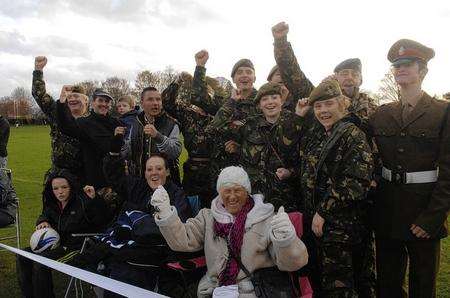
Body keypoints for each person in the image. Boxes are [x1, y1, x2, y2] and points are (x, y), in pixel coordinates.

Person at [368, 39, 449, 298]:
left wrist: (433, 218)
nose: (401, 68)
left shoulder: (442, 112)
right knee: (388, 286)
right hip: (387, 212)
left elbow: (448, 171)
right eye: (397, 65)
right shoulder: (381, 113)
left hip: (423, 212)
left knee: (422, 285)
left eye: (408, 64)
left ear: (422, 71)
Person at [151, 166, 308, 297]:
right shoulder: (208, 216)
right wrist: (165, 213)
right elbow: (182, 241)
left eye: (237, 190)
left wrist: (286, 239)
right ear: (220, 193)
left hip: (253, 292)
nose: (232, 196)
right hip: (213, 291)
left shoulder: (265, 219)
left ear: (247, 192)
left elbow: (292, 264)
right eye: (227, 190)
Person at [71, 151, 192, 296]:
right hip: (126, 251)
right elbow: (116, 178)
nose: (154, 173)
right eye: (149, 169)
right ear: (145, 173)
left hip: (157, 254)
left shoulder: (177, 195)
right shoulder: (139, 189)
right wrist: (114, 152)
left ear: (167, 172)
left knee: (122, 270)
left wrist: (135, 229)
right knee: (112, 263)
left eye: (159, 169)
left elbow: (178, 228)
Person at [297, 79, 375, 297]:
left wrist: (323, 211)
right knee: (321, 284)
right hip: (320, 229)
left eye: (328, 104)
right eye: (318, 106)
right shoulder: (319, 135)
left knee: (341, 287)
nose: (323, 111)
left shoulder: (352, 135)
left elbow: (356, 182)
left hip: (342, 228)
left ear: (342, 103)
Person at [16, 170, 110, 298]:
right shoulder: (53, 203)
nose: (60, 191)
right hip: (55, 246)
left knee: (40, 263)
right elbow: (45, 215)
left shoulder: (82, 201)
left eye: (64, 187)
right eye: (56, 188)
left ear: (71, 187)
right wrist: (42, 221)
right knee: (22, 256)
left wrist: (94, 200)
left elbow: (102, 220)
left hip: (76, 248)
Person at [272, 22, 377, 127]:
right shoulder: (320, 97)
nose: (349, 77)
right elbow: (294, 76)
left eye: (355, 74)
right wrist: (281, 43)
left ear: (361, 80)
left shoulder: (371, 107)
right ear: (335, 77)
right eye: (344, 74)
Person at [237, 82, 303, 211]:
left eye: (274, 97)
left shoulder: (295, 123)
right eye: (265, 99)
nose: (270, 102)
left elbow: (306, 161)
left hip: (286, 201)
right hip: (256, 200)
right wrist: (232, 101)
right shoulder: (250, 125)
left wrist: (290, 172)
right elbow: (216, 128)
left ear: (282, 101)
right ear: (259, 105)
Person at [162, 70, 216, 207]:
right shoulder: (187, 114)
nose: (205, 96)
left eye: (208, 91)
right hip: (192, 172)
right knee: (191, 209)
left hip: (213, 171)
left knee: (214, 211)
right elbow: (166, 102)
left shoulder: (218, 116)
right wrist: (178, 80)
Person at [32, 56, 88, 182]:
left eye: (76, 96)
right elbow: (40, 95)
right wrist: (38, 71)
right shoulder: (57, 114)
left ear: (86, 100)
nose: (72, 99)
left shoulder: (91, 121)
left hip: (82, 178)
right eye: (69, 97)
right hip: (58, 177)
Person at [56, 87, 121, 189]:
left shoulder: (117, 123)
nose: (104, 104)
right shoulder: (84, 123)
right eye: (100, 100)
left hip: (117, 180)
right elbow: (65, 127)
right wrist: (62, 103)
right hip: (95, 181)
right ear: (93, 103)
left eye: (107, 101)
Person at [137, 86, 182, 185]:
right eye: (150, 99)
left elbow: (175, 152)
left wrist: (158, 136)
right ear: (142, 103)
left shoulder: (171, 124)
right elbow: (128, 152)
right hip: (140, 182)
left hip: (166, 184)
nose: (155, 103)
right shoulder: (135, 123)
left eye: (158, 99)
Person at [115, 95, 143, 176]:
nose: (121, 108)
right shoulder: (124, 118)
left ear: (132, 107)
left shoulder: (131, 118)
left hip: (129, 147)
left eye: (124, 106)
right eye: (119, 106)